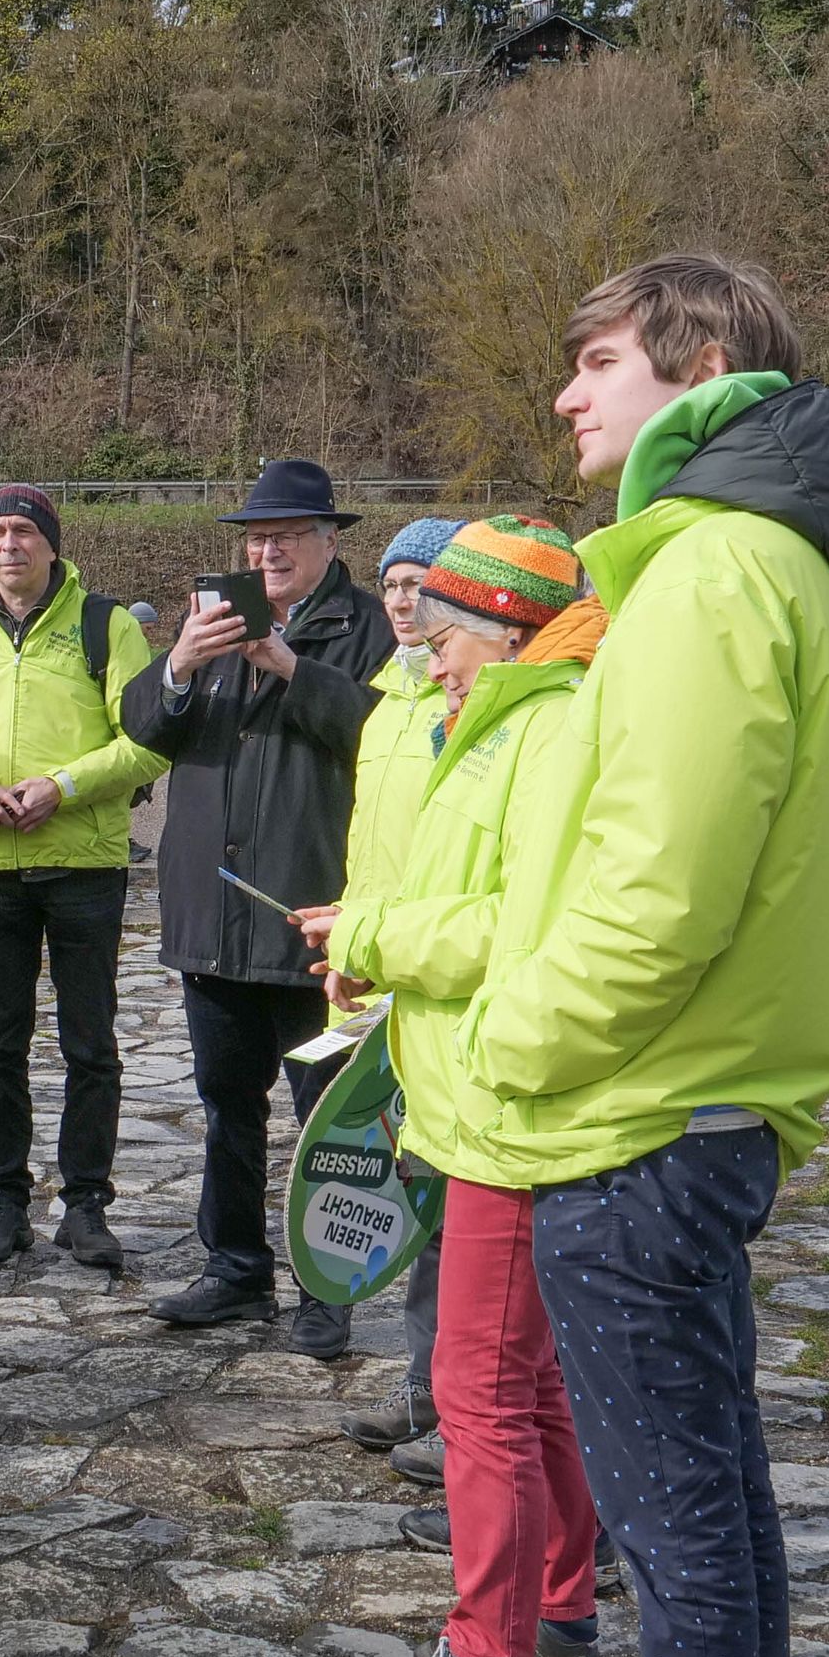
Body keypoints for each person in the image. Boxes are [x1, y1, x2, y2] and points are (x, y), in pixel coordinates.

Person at [438, 255, 829, 1657]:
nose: (569, 397)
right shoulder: (797, 581)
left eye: (599, 359)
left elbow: (658, 884)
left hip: (639, 1108)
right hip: (709, 1099)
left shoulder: (709, 577)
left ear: (698, 368)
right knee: (721, 1515)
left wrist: (520, 1042)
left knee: (676, 1527)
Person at [306, 518, 607, 1657]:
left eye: (447, 630)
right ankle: (565, 1625)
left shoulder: (543, 731)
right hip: (484, 1091)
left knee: (475, 1393)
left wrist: (375, 937)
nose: (424, 652)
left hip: (507, 1106)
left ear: (510, 630)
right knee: (529, 1388)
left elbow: (514, 923)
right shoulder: (515, 717)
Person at [116, 457, 394, 1357]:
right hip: (214, 919)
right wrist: (181, 666)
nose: (267, 552)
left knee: (330, 1119)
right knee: (227, 1104)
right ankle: (235, 1272)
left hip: (317, 921)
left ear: (327, 541)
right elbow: (143, 728)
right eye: (254, 540)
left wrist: (288, 668)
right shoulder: (213, 625)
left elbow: (384, 737)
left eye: (284, 537)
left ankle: (328, 1285)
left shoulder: (371, 628)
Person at [0, 483, 169, 1271]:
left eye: (24, 532)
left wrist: (62, 786)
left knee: (90, 1044)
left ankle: (85, 1204)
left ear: (52, 544)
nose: (8, 545)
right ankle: (3, 1202)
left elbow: (149, 741)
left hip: (82, 862)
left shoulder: (105, 626)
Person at [338, 514, 459, 1457]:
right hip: (387, 972)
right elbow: (371, 851)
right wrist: (349, 942)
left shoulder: (470, 706)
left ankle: (468, 1413)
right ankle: (428, 1392)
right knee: (421, 1193)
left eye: (422, 582)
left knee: (461, 1205)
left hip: (444, 973)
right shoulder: (386, 702)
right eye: (392, 584)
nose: (404, 600)